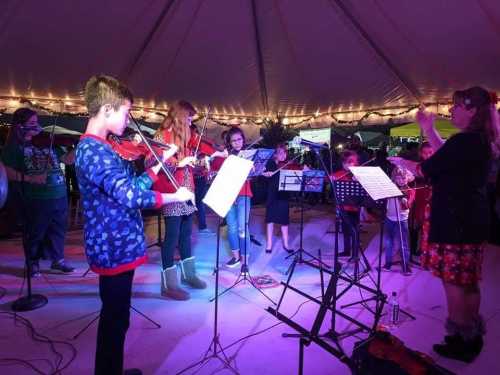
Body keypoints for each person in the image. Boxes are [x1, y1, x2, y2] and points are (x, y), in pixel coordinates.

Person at [75, 75, 193, 375]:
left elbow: (129, 185)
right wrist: (173, 196)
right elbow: (130, 195)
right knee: (115, 319)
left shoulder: (103, 148)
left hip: (120, 244)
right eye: (126, 112)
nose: (129, 120)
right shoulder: (93, 151)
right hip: (112, 246)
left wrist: (156, 167)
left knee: (118, 317)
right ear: (106, 110)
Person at [390, 86, 500, 362]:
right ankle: (471, 336)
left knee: (454, 283)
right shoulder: (478, 140)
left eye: (456, 106)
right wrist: (428, 128)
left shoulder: (465, 142)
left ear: (472, 110)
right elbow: (445, 155)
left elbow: (426, 168)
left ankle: (459, 340)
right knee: (469, 282)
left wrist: (403, 161)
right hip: (472, 220)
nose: (451, 110)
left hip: (455, 222)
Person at [152, 101, 223, 300]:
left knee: (186, 234)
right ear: (181, 116)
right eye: (189, 118)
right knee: (172, 237)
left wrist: (202, 162)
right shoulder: (162, 135)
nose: (191, 123)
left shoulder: (187, 138)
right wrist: (179, 162)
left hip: (188, 190)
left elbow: (192, 165)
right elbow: (152, 162)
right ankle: (169, 285)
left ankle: (189, 275)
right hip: (172, 191)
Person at [1, 107, 75, 276]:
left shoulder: (46, 141)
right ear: (20, 126)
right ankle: (32, 264)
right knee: (35, 232)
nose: (37, 126)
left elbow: (67, 160)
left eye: (37, 122)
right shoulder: (14, 147)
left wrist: (78, 146)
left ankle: (58, 260)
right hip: (36, 197)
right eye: (32, 123)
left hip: (59, 194)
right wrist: (30, 179)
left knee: (59, 230)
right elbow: (7, 170)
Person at [222, 126, 253, 270]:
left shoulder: (249, 155)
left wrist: (253, 167)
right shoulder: (227, 156)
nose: (237, 143)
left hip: (243, 194)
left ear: (243, 140)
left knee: (242, 227)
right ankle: (236, 258)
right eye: (233, 141)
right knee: (232, 228)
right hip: (228, 194)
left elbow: (254, 174)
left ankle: (245, 261)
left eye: (239, 139)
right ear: (230, 142)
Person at [382, 167, 415, 275]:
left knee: (403, 244)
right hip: (389, 218)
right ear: (394, 178)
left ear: (408, 178)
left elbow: (408, 205)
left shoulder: (410, 191)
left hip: (402, 220)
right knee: (388, 243)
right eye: (398, 178)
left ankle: (406, 265)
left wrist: (405, 200)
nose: (401, 180)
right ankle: (388, 263)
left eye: (404, 178)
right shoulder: (391, 189)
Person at [262, 144, 293, 254]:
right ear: (275, 154)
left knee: (284, 219)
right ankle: (269, 244)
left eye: (285, 152)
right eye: (280, 153)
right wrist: (265, 174)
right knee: (270, 219)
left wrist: (304, 169)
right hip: (272, 193)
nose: (283, 155)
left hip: (283, 193)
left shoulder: (288, 164)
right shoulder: (269, 163)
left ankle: (286, 243)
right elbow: (261, 172)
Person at [330, 150, 360, 259]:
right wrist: (331, 179)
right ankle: (347, 251)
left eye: (350, 162)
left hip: (354, 208)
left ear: (355, 163)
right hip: (343, 207)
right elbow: (328, 177)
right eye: (345, 162)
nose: (347, 165)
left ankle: (355, 254)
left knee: (354, 231)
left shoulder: (358, 174)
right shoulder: (340, 174)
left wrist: (357, 180)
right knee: (345, 230)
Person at [408, 142, 434, 261]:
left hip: (429, 199)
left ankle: (424, 251)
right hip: (417, 198)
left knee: (426, 227)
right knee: (414, 225)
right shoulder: (418, 165)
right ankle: (412, 249)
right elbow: (411, 181)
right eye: (425, 153)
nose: (428, 155)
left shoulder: (436, 166)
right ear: (420, 153)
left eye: (430, 153)